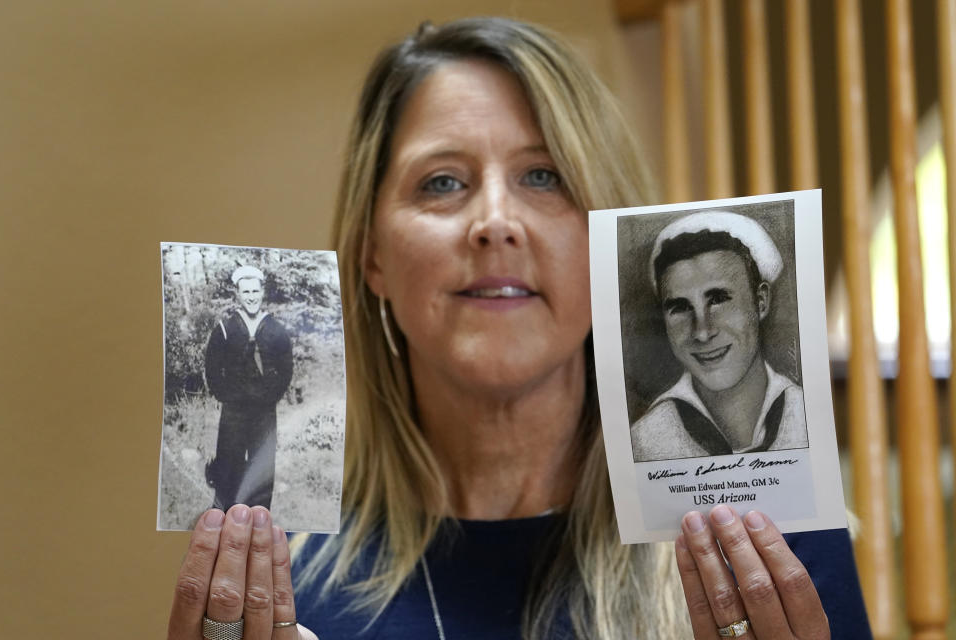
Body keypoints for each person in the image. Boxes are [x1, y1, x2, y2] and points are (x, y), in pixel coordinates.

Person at [167, 18, 871, 640]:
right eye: (442, 182)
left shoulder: (767, 533)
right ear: (372, 254)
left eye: (544, 176)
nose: (495, 222)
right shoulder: (272, 571)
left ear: (611, 247)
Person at [630, 212, 809, 462]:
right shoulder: (645, 441)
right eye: (680, 308)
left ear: (761, 301)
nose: (702, 332)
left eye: (717, 300)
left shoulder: (806, 416)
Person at [204, 265, 293, 511]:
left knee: (261, 467)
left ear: (262, 292)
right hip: (233, 412)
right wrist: (226, 395)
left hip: (264, 414)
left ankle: (258, 518)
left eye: (255, 291)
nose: (251, 296)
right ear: (238, 294)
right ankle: (222, 517)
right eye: (246, 292)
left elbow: (286, 370)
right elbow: (212, 368)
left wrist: (270, 396)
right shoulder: (225, 328)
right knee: (229, 465)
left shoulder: (276, 330)